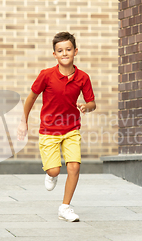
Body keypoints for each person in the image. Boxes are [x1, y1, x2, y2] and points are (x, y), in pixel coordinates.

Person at [17, 31, 96, 222]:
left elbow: (92, 103)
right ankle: (51, 174)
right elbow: (31, 98)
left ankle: (65, 207)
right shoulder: (46, 75)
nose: (64, 53)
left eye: (68, 49)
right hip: (49, 130)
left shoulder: (83, 78)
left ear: (75, 51)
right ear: (55, 54)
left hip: (71, 129)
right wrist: (23, 121)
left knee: (74, 167)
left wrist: (86, 107)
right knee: (54, 170)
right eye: (60, 50)